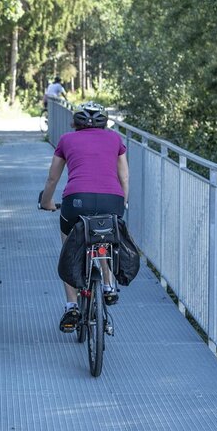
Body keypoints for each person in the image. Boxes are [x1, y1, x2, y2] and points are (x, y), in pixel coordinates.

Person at [39, 102, 129, 333]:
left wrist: (46, 202)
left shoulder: (67, 140)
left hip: (76, 201)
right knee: (104, 239)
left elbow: (52, 179)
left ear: (74, 122)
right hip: (112, 201)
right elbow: (124, 178)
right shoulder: (115, 140)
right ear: (105, 122)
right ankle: (109, 287)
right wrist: (122, 204)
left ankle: (71, 307)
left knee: (70, 249)